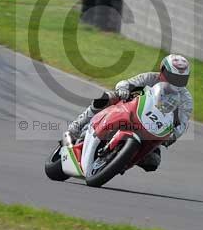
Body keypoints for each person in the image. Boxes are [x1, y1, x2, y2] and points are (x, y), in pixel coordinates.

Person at [62, 54, 193, 172]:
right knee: (105, 98)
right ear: (163, 71)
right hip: (130, 110)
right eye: (173, 77)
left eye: (180, 79)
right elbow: (127, 83)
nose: (175, 82)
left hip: (153, 129)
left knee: (152, 162)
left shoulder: (186, 99)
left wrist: (172, 136)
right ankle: (77, 127)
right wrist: (123, 89)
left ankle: (122, 161)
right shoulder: (150, 77)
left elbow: (182, 123)